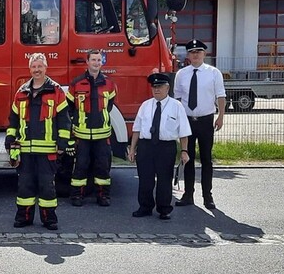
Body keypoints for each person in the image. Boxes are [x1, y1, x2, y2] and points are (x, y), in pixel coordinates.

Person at [5, 53, 72, 230]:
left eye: (40, 66)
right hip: (25, 150)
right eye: (34, 67)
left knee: (47, 187)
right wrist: (10, 138)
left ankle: (49, 219)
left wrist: (62, 143)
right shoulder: (21, 92)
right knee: (24, 185)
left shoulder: (56, 90)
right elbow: (13, 119)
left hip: (48, 150)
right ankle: (23, 218)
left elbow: (64, 120)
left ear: (45, 68)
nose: (37, 70)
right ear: (30, 69)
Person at [129, 73, 191, 220]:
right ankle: (145, 207)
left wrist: (184, 151)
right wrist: (132, 149)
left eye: (160, 87)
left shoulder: (176, 106)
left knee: (164, 179)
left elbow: (183, 131)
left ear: (167, 88)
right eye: (154, 87)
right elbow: (137, 129)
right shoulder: (145, 105)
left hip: (166, 147)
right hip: (146, 146)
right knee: (145, 179)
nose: (156, 90)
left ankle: (164, 209)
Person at [173, 39, 226, 210]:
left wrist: (221, 116)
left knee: (206, 159)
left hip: (205, 120)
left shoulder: (213, 73)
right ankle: (188, 194)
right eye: (192, 52)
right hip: (187, 121)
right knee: (186, 158)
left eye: (199, 52)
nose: (195, 55)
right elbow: (178, 99)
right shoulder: (182, 74)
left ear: (204, 54)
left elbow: (221, 95)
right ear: (188, 55)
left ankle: (207, 196)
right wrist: (177, 120)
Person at [66, 50, 117, 207]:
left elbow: (109, 106)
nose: (96, 63)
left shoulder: (109, 83)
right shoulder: (76, 83)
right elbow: (69, 109)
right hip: (82, 135)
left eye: (99, 60)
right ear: (87, 62)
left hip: (102, 135)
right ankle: (76, 196)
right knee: (80, 166)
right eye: (93, 60)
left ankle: (103, 196)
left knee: (103, 167)